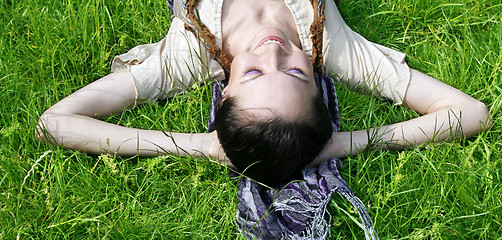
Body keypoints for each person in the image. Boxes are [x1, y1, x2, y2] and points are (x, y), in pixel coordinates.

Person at [36, 0, 491, 186]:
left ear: (224, 92)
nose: (273, 51)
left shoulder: (189, 56)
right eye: (295, 74)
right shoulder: (328, 44)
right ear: (317, 84)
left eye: (253, 74)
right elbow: (471, 113)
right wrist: (343, 142)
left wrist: (199, 146)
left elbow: (54, 123)